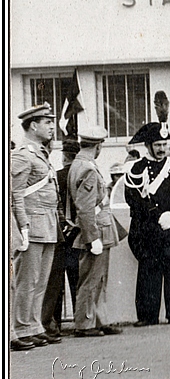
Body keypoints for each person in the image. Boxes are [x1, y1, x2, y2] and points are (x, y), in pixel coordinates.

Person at [124, 121, 170, 326]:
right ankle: (147, 315)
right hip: (149, 229)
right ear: (148, 146)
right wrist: (156, 216)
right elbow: (133, 199)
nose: (162, 149)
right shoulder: (137, 168)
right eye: (157, 145)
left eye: (164, 144)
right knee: (149, 271)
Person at [11, 104, 60, 350]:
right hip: (32, 225)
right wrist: (23, 227)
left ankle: (33, 326)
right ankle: (19, 328)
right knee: (26, 281)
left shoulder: (39, 153)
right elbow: (15, 195)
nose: (52, 126)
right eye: (47, 122)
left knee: (40, 281)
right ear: (33, 125)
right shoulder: (22, 154)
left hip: (47, 224)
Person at [68, 125, 122, 337]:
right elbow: (85, 207)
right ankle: (84, 324)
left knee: (97, 278)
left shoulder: (80, 164)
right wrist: (92, 239)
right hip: (96, 231)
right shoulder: (88, 169)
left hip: (98, 229)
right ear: (97, 146)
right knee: (91, 278)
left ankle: (98, 320)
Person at [40, 137, 81, 341]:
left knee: (53, 283)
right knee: (76, 279)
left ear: (64, 155)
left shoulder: (57, 175)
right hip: (74, 234)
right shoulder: (80, 173)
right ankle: (79, 320)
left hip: (58, 233)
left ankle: (52, 323)